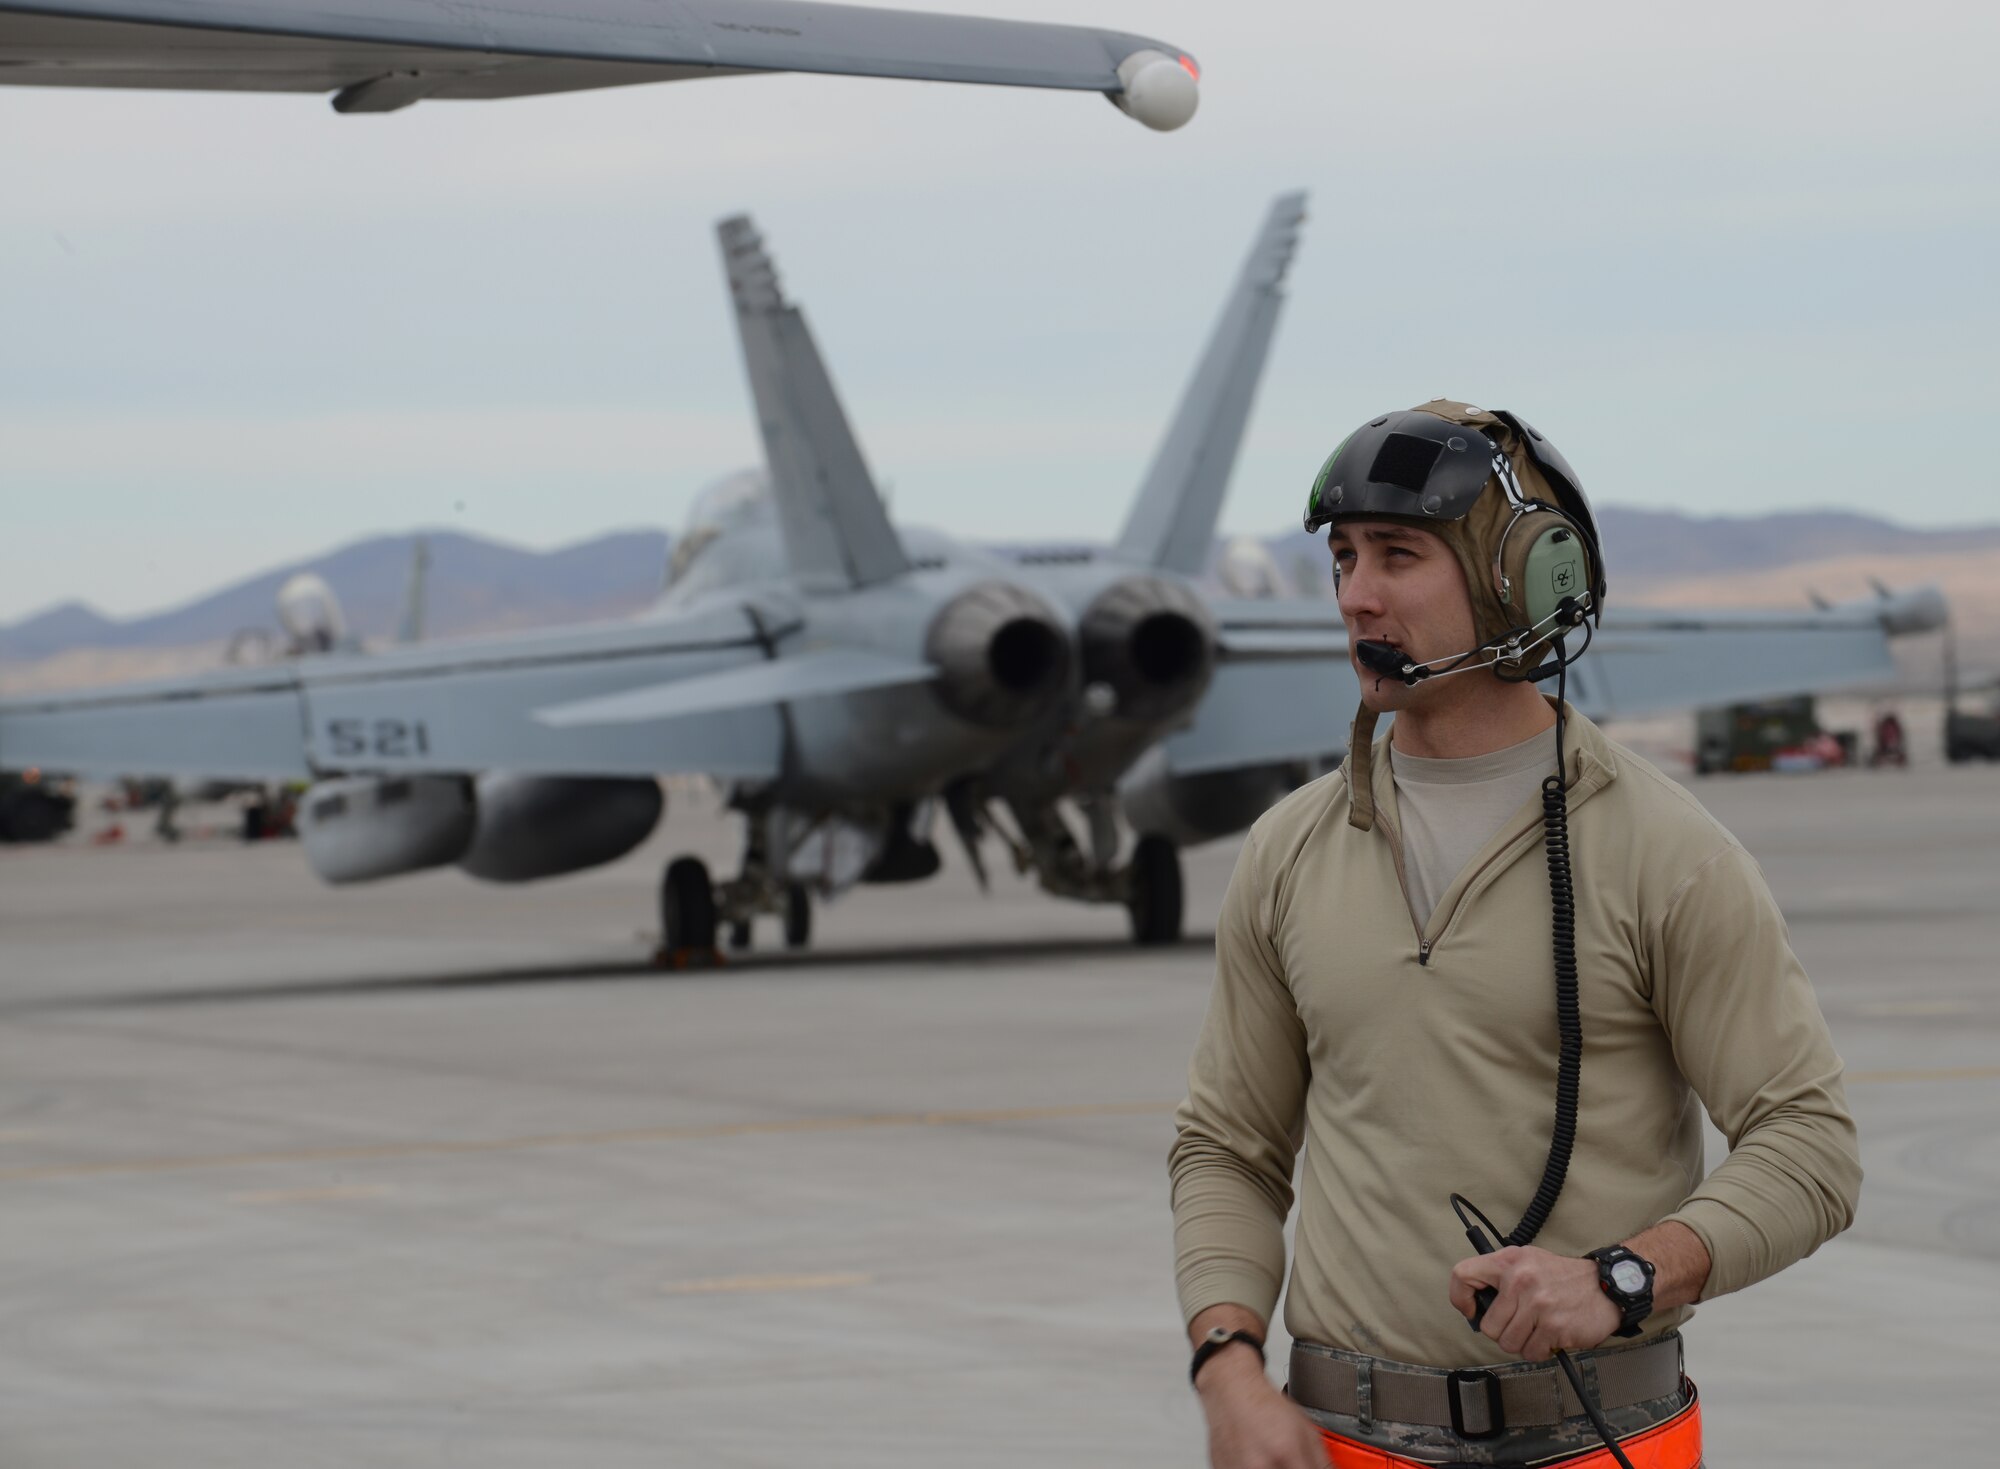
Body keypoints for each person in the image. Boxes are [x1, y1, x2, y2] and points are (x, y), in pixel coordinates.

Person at [1169, 401, 1860, 1468]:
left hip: (1599, 1438)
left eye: (1397, 555)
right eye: (1343, 557)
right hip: (1336, 1441)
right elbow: (1227, 1146)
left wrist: (1622, 1274)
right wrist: (1227, 1365)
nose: (1355, 593)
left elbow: (1808, 1146)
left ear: (1521, 577)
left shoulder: (1667, 851)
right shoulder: (1285, 852)